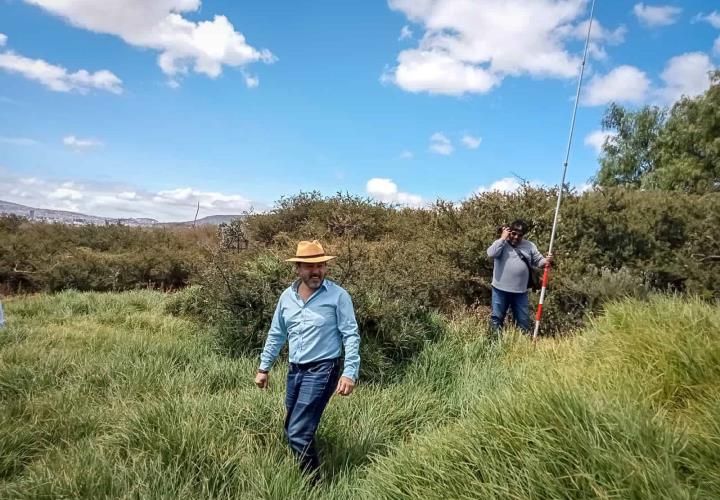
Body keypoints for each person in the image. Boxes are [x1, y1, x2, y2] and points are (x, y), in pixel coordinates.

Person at [254, 240, 360, 476]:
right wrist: (264, 368)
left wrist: (349, 372)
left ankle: (314, 485)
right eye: (310, 266)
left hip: (323, 370)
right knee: (292, 427)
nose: (317, 271)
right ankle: (307, 470)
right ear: (298, 268)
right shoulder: (287, 297)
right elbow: (277, 333)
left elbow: (351, 335)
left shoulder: (338, 296)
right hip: (295, 370)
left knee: (298, 433)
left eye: (321, 265)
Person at [486, 219, 553, 333]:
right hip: (499, 290)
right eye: (514, 233)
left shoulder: (530, 246)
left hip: (520, 292)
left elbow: (539, 261)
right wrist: (502, 238)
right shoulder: (501, 243)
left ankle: (522, 345)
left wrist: (547, 260)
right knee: (497, 319)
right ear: (509, 231)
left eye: (520, 235)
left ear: (523, 236)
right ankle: (494, 344)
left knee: (523, 321)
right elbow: (491, 253)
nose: (516, 237)